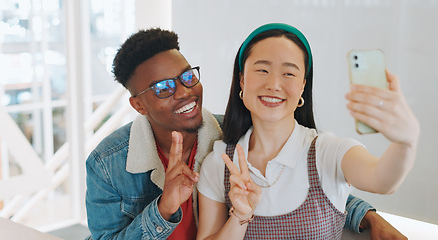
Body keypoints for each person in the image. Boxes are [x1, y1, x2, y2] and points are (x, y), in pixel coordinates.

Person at [85, 28, 409, 239]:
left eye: (187, 77)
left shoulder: (232, 131)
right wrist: (164, 208)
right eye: (164, 88)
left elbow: (303, 174)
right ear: (139, 105)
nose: (184, 93)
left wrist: (366, 216)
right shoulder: (106, 164)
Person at [196, 23, 419, 239]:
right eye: (262, 70)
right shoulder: (220, 162)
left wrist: (405, 142)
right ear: (242, 80)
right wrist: (240, 217)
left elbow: (382, 181)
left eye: (289, 74)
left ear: (303, 85)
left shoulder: (327, 151)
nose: (274, 84)